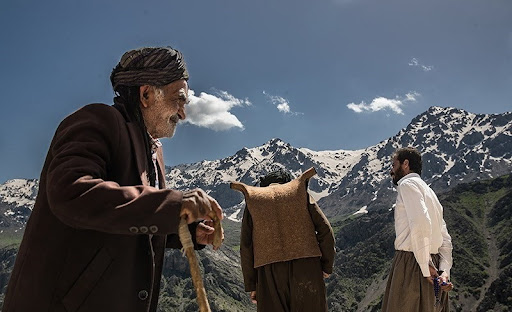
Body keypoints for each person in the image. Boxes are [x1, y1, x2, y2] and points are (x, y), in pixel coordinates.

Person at [2, 47, 223, 312]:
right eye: (179, 99)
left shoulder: (153, 151)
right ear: (146, 94)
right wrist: (174, 205)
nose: (183, 113)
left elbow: (130, 218)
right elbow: (71, 193)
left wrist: (186, 230)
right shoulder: (98, 121)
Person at [234, 167, 335, 312]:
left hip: (268, 272)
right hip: (307, 267)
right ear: (287, 182)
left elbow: (246, 246)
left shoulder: (255, 201)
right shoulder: (299, 194)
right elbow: (325, 230)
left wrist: (252, 285)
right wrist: (326, 266)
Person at [382, 147, 454, 312]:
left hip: (412, 264)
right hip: (434, 266)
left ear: (405, 164)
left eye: (394, 165)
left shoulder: (407, 184)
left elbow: (420, 223)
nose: (391, 170)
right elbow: (445, 238)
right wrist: (444, 271)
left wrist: (424, 265)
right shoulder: (430, 192)